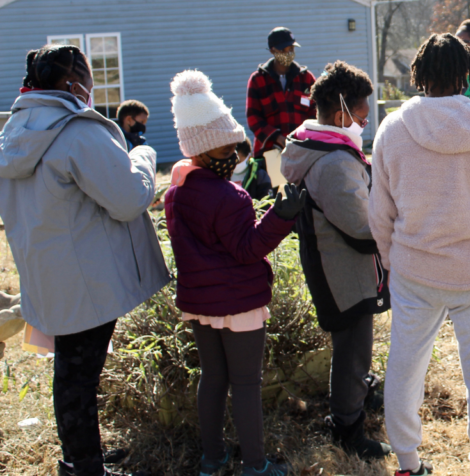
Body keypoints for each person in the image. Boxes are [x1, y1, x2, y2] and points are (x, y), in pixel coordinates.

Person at [0, 45, 170, 476]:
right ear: (74, 84)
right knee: (79, 377)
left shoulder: (16, 130)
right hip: (88, 275)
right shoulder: (77, 130)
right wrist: (143, 157)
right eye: (89, 82)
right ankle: (83, 466)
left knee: (72, 372)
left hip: (46, 267)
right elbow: (129, 198)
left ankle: (82, 455)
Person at [368, 33, 470, 476]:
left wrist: (391, 260)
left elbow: (379, 213)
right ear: (468, 73)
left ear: (419, 74)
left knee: (404, 366)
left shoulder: (392, 129)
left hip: (413, 269)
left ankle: (407, 461)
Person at [164, 70, 306, 476]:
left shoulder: (176, 191)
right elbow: (247, 248)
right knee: (245, 384)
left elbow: (216, 240)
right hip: (239, 305)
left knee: (212, 379)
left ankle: (213, 458)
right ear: (209, 150)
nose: (238, 152)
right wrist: (281, 216)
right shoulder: (230, 195)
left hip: (199, 302)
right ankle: (256, 465)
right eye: (231, 146)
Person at [280, 60, 392, 459]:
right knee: (352, 348)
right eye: (362, 116)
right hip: (342, 270)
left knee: (351, 346)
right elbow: (363, 228)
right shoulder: (335, 163)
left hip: (326, 260)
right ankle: (348, 428)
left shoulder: (309, 143)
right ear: (343, 112)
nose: (364, 124)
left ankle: (360, 394)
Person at [246, 27, 317, 157]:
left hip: (302, 150)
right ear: (272, 50)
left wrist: (302, 137)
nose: (289, 53)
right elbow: (253, 117)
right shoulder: (258, 80)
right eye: (284, 50)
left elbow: (316, 112)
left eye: (291, 49)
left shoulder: (306, 78)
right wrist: (277, 138)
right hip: (269, 152)